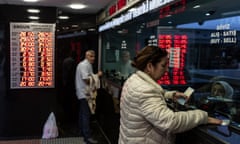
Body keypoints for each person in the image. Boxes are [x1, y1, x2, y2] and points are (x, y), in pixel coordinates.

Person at [118, 46, 222, 144]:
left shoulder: (133, 80)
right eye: (163, 65)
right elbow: (170, 122)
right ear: (150, 66)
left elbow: (143, 101)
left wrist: (169, 95)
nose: (167, 70)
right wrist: (202, 116)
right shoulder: (145, 91)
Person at [75, 50, 102, 144]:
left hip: (85, 92)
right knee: (86, 114)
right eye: (91, 56)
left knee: (82, 113)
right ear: (86, 56)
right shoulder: (84, 65)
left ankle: (82, 131)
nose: (93, 58)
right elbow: (86, 80)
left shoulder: (88, 65)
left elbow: (89, 77)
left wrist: (94, 76)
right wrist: (97, 75)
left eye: (94, 56)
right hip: (84, 93)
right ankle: (87, 137)